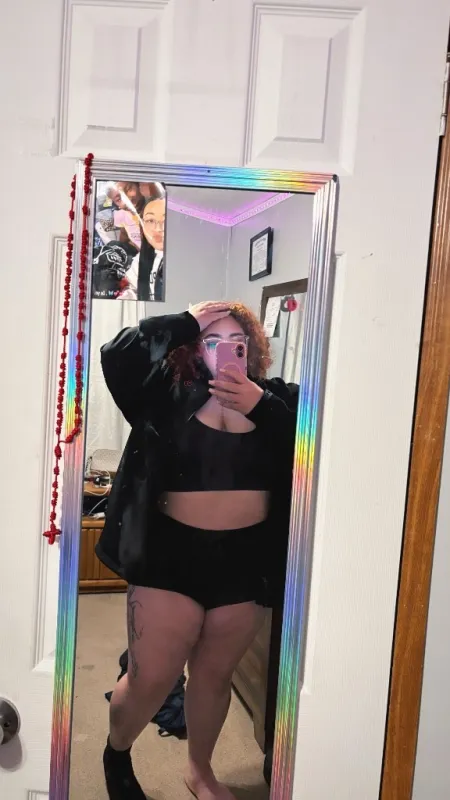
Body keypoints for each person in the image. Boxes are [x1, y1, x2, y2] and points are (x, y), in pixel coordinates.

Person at [95, 301, 298, 800]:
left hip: (245, 564)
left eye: (237, 342)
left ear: (251, 349)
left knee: (213, 676)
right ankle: (116, 752)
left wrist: (260, 405)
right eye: (211, 340)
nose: (226, 351)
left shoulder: (276, 399)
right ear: (193, 348)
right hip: (169, 558)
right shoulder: (163, 393)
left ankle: (199, 770)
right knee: (149, 679)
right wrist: (185, 319)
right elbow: (116, 355)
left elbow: (318, 443)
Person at [119, 183, 166, 301]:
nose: (158, 228)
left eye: (165, 220)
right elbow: (132, 289)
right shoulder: (140, 260)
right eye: (150, 220)